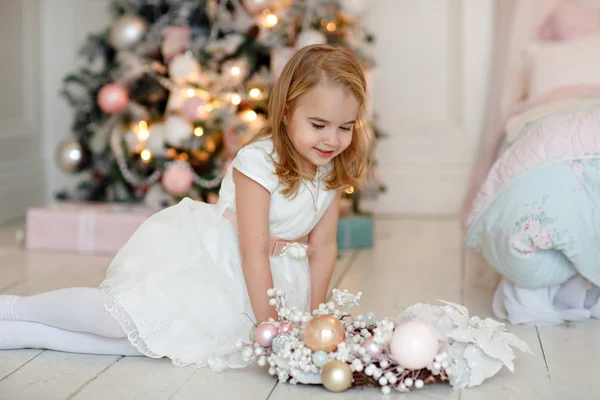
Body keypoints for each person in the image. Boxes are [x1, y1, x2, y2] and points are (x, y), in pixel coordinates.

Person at [0, 44, 371, 371]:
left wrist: (316, 320)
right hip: (219, 266)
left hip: (277, 285)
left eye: (345, 127)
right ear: (287, 112)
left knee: (138, 346)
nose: (331, 140)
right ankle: (14, 308)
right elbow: (252, 251)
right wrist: (270, 328)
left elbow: (323, 249)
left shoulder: (330, 170)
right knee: (120, 319)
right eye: (319, 124)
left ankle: (18, 335)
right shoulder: (259, 163)